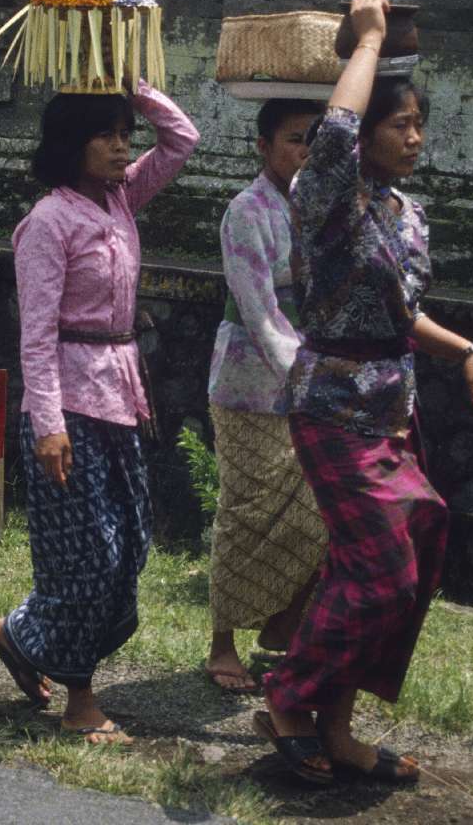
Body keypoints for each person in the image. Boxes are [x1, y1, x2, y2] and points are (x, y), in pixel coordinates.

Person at [258, 0, 473, 786]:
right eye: (400, 123)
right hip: (331, 403)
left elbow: (405, 311)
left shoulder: (408, 213)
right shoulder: (325, 197)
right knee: (379, 572)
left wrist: (463, 348)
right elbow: (328, 136)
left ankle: (339, 725)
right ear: (364, 133)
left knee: (414, 551)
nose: (416, 136)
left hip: (391, 405)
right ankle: (289, 697)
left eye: (419, 123)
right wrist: (366, 42)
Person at [0, 79, 199, 745]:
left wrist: (128, 77)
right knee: (88, 557)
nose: (120, 146)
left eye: (123, 133)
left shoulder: (119, 199)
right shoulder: (49, 221)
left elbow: (182, 139)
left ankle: (21, 633)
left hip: (120, 400)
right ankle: (80, 698)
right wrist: (47, 425)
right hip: (67, 410)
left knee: (131, 542)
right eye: (104, 134)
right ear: (69, 144)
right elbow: (37, 333)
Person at [203, 97, 328, 693]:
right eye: (292, 138)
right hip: (252, 383)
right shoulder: (246, 211)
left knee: (317, 510)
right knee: (247, 509)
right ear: (263, 146)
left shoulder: (323, 208)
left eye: (312, 139)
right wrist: (302, 370)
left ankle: (284, 625)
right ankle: (221, 641)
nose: (303, 150)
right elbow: (257, 307)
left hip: (315, 379)